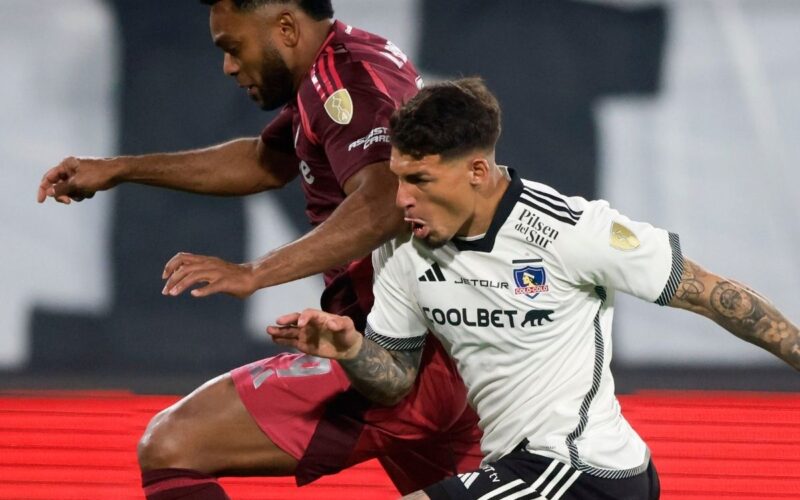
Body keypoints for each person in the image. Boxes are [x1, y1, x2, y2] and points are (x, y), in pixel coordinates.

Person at [268, 77, 800, 500]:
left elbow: (710, 292)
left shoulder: (570, 231)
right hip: (519, 470)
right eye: (399, 177)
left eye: (421, 180)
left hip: (584, 470)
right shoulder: (404, 250)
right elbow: (393, 382)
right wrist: (352, 349)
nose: (402, 198)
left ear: (477, 170)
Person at [36, 1, 483, 498]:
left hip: (395, 355)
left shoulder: (342, 80)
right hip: (447, 346)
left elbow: (384, 200)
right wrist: (118, 169)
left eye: (234, 47)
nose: (229, 66)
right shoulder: (340, 67)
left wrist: (256, 272)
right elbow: (264, 162)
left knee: (172, 444)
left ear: (286, 28)